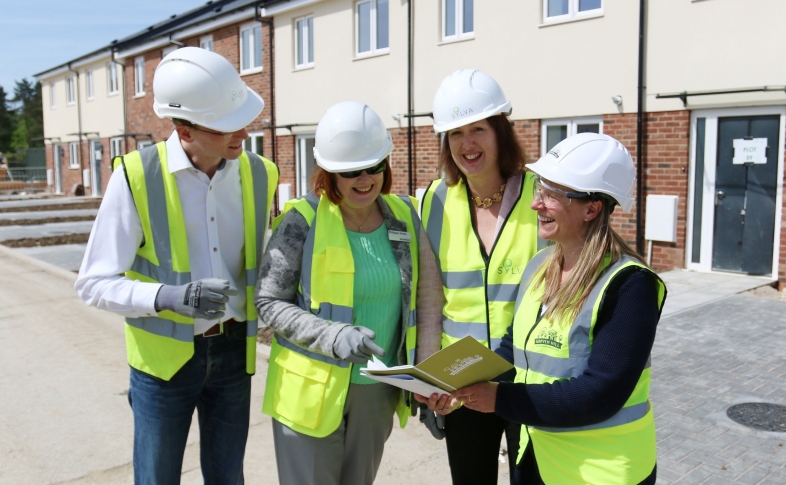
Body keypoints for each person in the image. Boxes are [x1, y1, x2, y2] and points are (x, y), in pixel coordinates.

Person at [75, 47, 279, 485]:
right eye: (227, 125)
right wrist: (167, 297)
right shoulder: (136, 176)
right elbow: (93, 283)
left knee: (228, 478)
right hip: (163, 365)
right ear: (184, 129)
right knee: (157, 478)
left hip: (232, 355)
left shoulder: (261, 173)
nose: (242, 133)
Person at [452, 133, 666, 485]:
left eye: (552, 195)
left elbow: (600, 393)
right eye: (540, 188)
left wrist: (498, 398)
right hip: (538, 455)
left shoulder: (630, 286)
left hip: (601, 472)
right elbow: (512, 349)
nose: (537, 204)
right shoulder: (539, 265)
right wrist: (456, 384)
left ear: (591, 209)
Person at [254, 101, 443, 485]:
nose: (364, 179)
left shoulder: (404, 215)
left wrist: (428, 380)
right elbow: (269, 303)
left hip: (376, 391)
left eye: (373, 167)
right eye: (350, 171)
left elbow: (427, 300)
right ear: (329, 173)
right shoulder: (301, 219)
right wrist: (334, 336)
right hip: (308, 393)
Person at [415, 69, 544, 485]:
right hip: (463, 379)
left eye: (478, 129)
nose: (466, 144)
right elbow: (430, 300)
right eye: (455, 133)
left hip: (528, 377)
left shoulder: (541, 196)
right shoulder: (434, 200)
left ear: (500, 133)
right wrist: (427, 375)